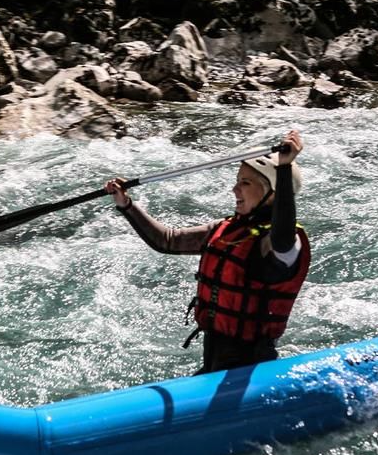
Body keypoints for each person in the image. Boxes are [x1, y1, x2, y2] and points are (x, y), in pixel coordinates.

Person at [104, 130, 311, 374]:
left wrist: (284, 169)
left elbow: (282, 237)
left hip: (252, 368)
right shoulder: (226, 230)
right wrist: (126, 204)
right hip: (215, 362)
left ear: (274, 193)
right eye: (237, 181)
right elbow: (167, 240)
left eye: (245, 182)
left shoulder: (281, 243)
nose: (235, 190)